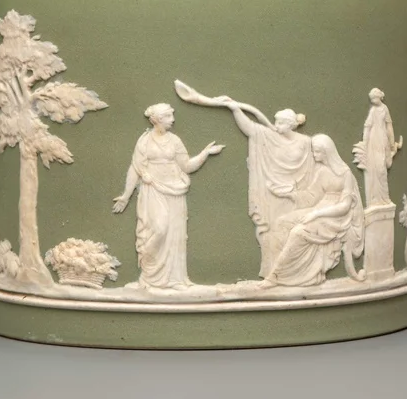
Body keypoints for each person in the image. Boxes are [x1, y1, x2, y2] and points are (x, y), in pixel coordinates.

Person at [112, 103, 223, 290]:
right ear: (158, 119)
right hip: (153, 190)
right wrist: (126, 195)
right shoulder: (144, 141)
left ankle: (174, 280)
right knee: (159, 229)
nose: (173, 120)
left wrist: (205, 154)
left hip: (175, 191)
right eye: (169, 116)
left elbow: (186, 166)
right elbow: (135, 168)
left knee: (174, 235)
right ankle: (148, 272)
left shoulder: (175, 140)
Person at [219, 98, 315, 278]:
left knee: (293, 231)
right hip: (273, 193)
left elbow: (313, 170)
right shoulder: (269, 136)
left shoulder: (306, 142)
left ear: (290, 125)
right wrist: (235, 109)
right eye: (276, 122)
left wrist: (301, 194)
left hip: (295, 195)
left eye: (280, 123)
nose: (276, 126)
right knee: (270, 232)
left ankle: (294, 271)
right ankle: (272, 271)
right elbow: (250, 128)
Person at [263, 134, 366, 287]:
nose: (314, 154)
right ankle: (282, 272)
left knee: (297, 232)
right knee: (281, 222)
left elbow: (344, 206)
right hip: (319, 209)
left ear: (326, 152)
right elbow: (311, 196)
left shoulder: (345, 174)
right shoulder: (322, 171)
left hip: (336, 217)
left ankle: (275, 278)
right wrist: (287, 193)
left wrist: (316, 214)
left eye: (316, 151)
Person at [352, 87, 401, 207]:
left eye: (374, 98)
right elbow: (367, 126)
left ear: (379, 97)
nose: (373, 101)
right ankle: (376, 199)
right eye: (371, 99)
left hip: (382, 139)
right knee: (377, 168)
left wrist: (391, 142)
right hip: (373, 141)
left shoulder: (384, 109)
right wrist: (365, 142)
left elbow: (389, 126)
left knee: (382, 169)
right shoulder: (373, 110)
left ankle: (384, 197)